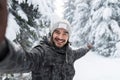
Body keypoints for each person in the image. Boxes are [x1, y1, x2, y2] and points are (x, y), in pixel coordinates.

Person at [0, 0, 93, 80]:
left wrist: (87, 47)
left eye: (65, 33)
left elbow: (80, 52)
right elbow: (24, 61)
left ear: (68, 37)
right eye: (57, 32)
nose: (60, 37)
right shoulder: (42, 52)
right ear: (51, 34)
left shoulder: (70, 54)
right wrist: (3, 50)